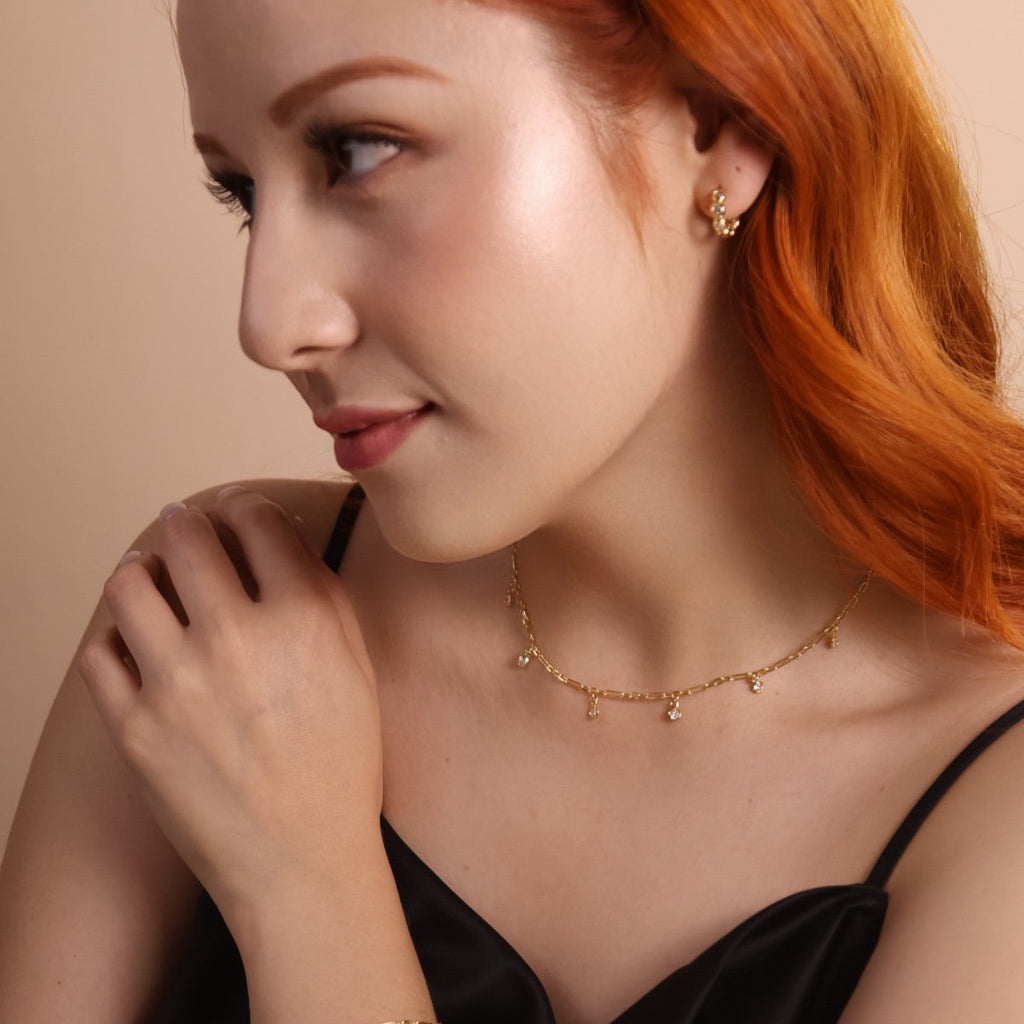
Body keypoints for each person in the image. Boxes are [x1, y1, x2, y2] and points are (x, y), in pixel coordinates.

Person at [2, 0, 1024, 1021]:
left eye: (357, 152)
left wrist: (305, 893)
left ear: (718, 124)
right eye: (242, 192)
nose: (268, 324)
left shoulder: (992, 792)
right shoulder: (216, 623)